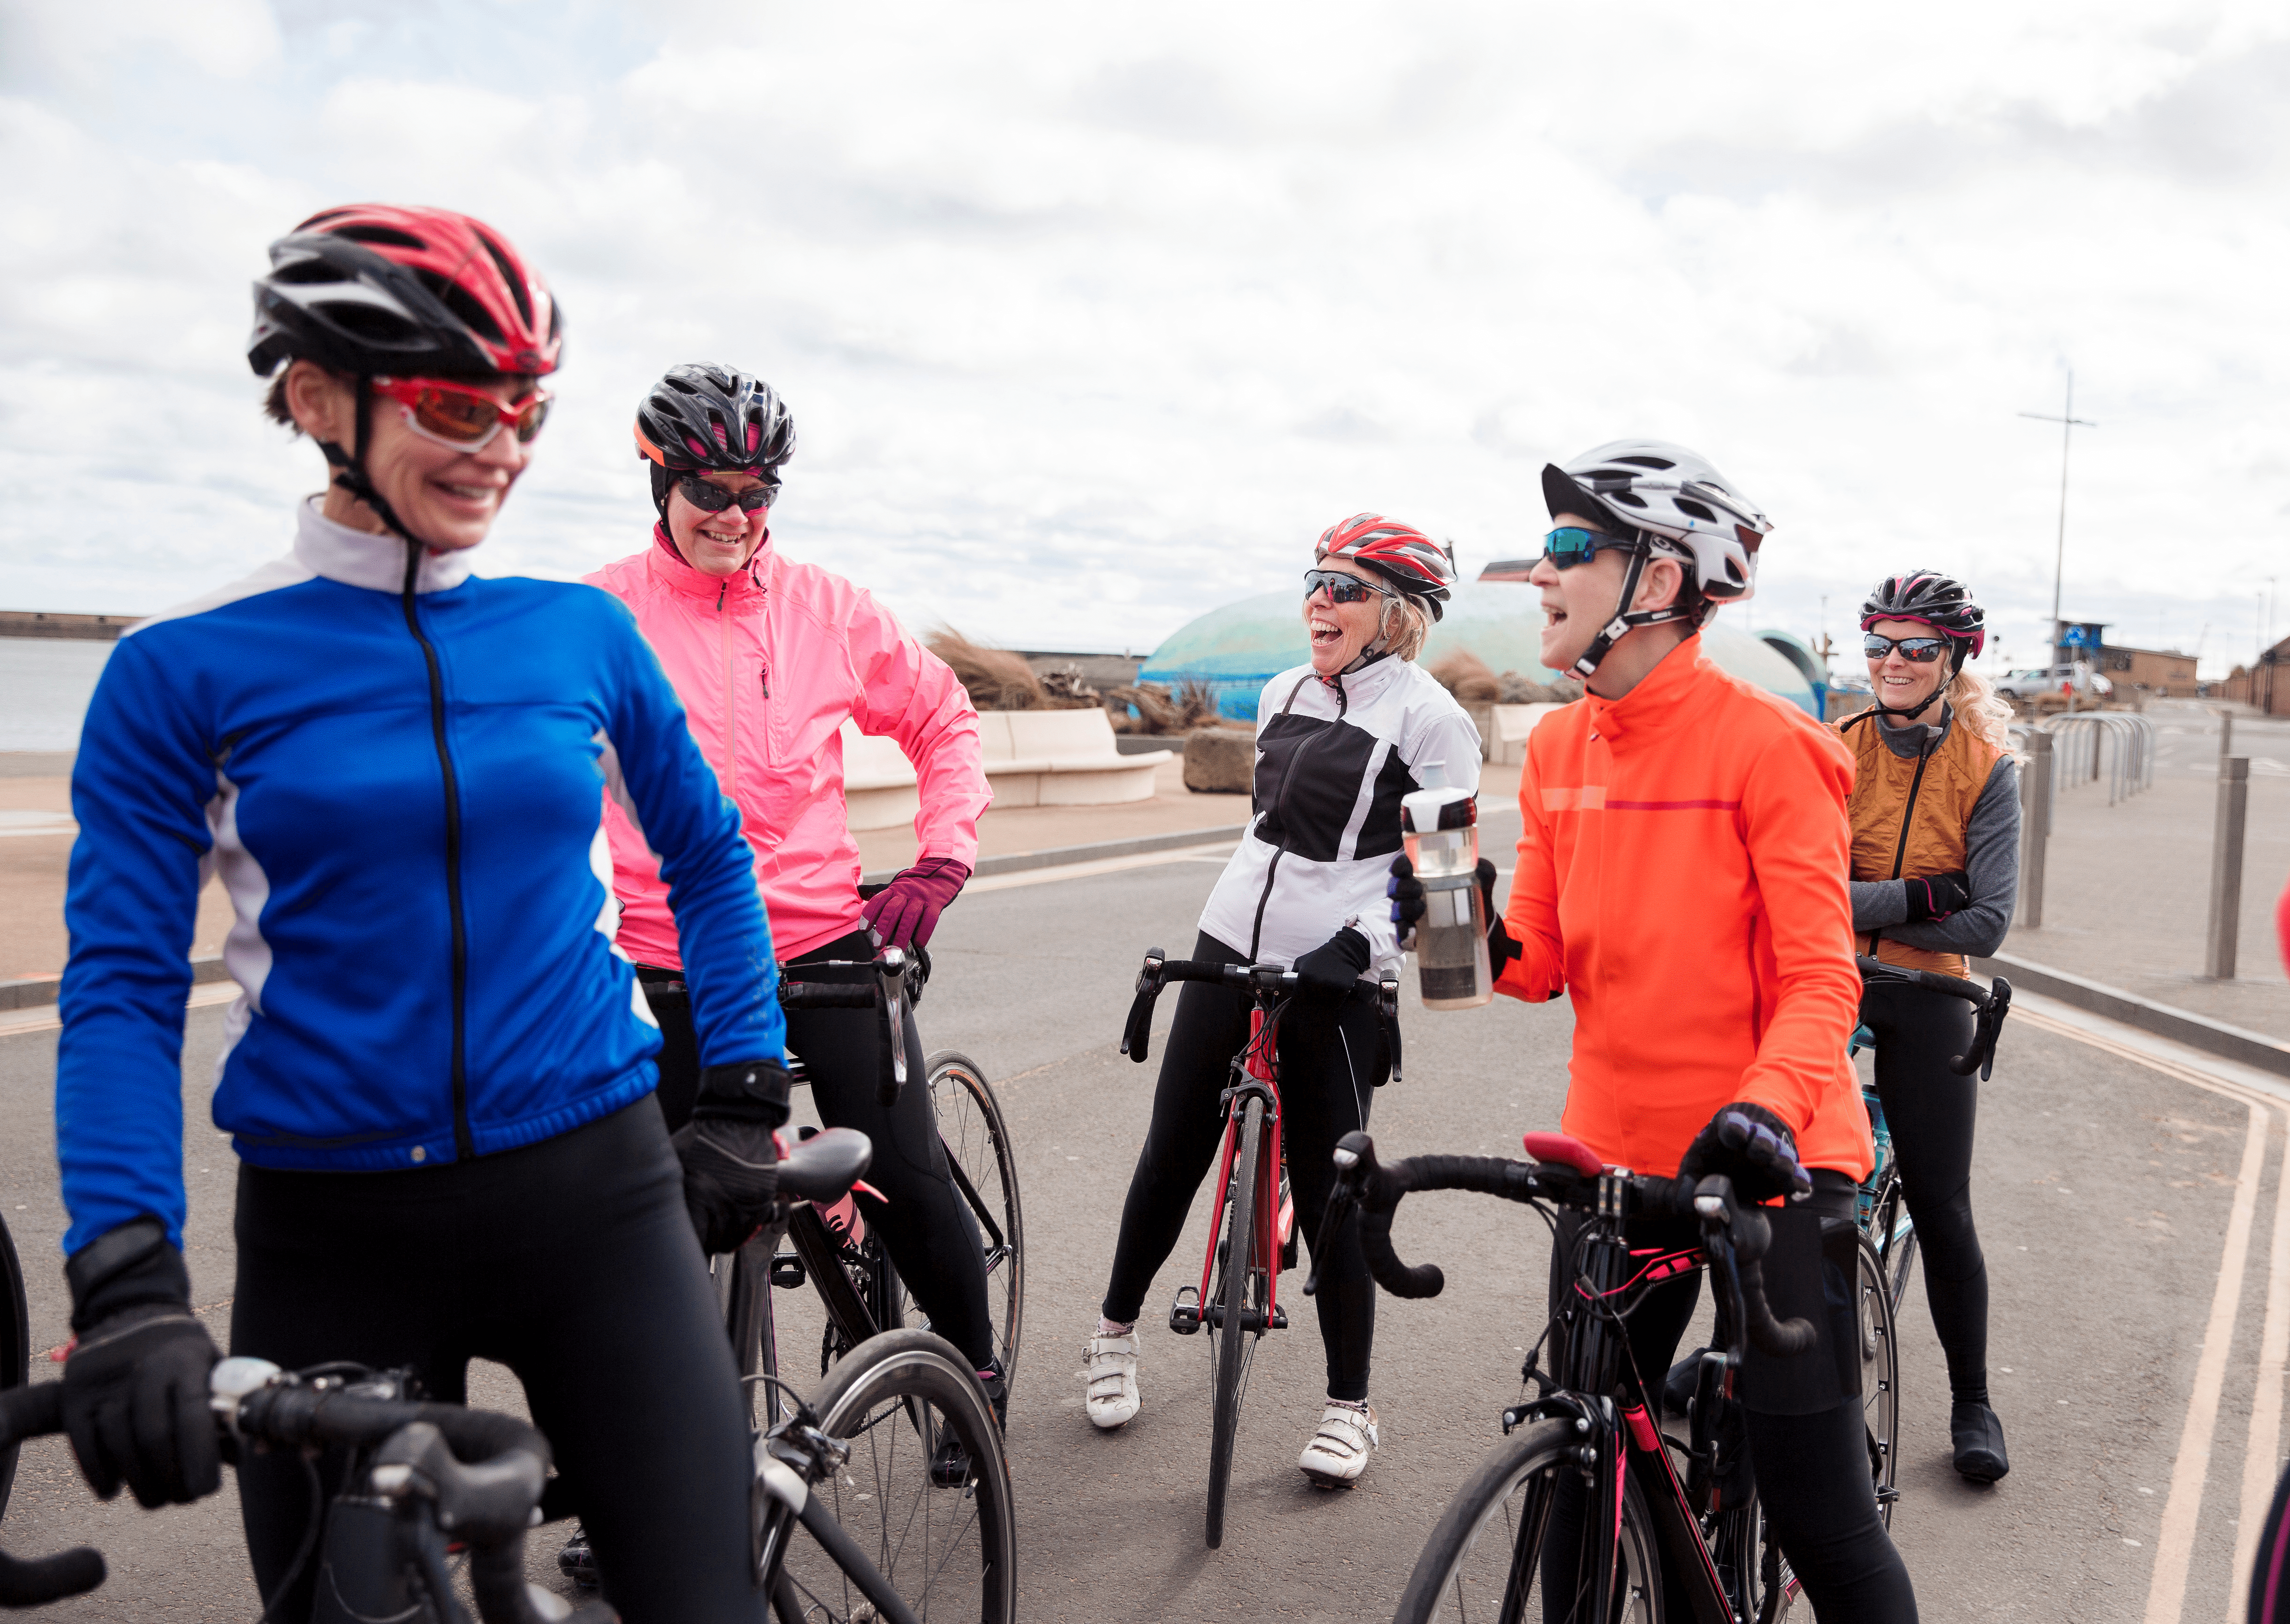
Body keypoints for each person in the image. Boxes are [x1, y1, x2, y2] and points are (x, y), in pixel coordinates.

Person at [53, 207, 790, 1622]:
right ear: (317, 398)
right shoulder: (182, 669)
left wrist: (745, 1083)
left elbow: (705, 854)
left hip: (597, 1198)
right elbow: (126, 989)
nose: (505, 445)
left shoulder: (574, 632)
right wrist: (128, 1271)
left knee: (704, 1606)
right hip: (336, 1237)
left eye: (526, 408)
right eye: (462, 404)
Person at [1394, 443, 1917, 1617]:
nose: (1540, 573)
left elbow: (1824, 982)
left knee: (1824, 1526)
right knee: (1584, 1490)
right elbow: (1536, 964)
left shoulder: (1773, 748)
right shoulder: (1562, 747)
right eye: (1545, 549)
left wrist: (1763, 1110)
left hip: (1774, 1166)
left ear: (1663, 581)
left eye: (1573, 549)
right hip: (1616, 1166)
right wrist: (1465, 921)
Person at [582, 363, 997, 1466]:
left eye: (757, 494)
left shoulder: (829, 609)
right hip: (662, 956)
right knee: (655, 1224)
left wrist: (939, 859)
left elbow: (944, 723)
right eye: (710, 490)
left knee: (904, 1180)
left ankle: (971, 1371)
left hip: (820, 942)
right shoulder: (600, 614)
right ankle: (666, 1466)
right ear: (660, 481)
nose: (734, 516)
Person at [1082, 514, 1477, 1487]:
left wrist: (1367, 945)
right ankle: (1113, 1334)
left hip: (1338, 969)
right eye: (1314, 581)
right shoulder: (1284, 692)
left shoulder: (1433, 721)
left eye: (1343, 587)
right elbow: (1269, 839)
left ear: (1397, 612)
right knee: (1172, 1146)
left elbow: (1450, 888)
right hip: (1229, 939)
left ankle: (1351, 1406)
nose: (1318, 602)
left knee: (1338, 1184)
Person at [1844, 570, 2020, 1483]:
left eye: (1917, 647)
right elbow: (1804, 891)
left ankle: (1971, 1399)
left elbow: (1986, 924)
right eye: (1881, 644)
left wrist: (1865, 907)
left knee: (1943, 1206)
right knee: (1773, 1184)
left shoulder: (1987, 770)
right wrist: (1923, 892)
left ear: (1952, 659)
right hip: (1831, 978)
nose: (1895, 662)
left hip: (1931, 992)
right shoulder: (1836, 749)